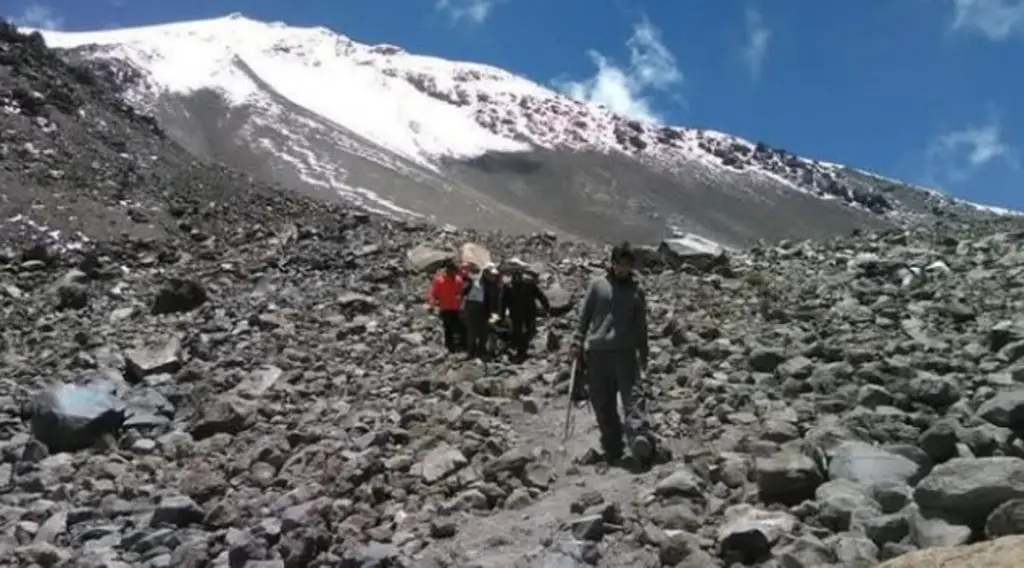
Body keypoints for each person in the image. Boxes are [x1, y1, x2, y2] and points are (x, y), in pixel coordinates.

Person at [569, 241, 654, 467]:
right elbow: (584, 315)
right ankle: (613, 445)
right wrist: (577, 340)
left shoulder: (637, 291)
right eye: (619, 264)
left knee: (633, 398)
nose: (622, 269)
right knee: (602, 402)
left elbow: (640, 325)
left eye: (627, 265)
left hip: (625, 353)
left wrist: (643, 353)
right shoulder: (597, 285)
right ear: (612, 263)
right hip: (597, 354)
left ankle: (639, 439)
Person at [502, 269, 550, 359]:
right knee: (518, 332)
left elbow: (540, 296)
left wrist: (546, 307)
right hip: (517, 314)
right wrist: (501, 315)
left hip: (528, 312)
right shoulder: (508, 288)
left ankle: (523, 348)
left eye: (518, 277)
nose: (517, 279)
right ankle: (521, 350)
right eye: (515, 277)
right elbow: (503, 302)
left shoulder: (528, 285)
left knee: (528, 330)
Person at [426, 260, 465, 352]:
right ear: (448, 270)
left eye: (455, 271)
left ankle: (458, 346)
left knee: (457, 326)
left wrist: (462, 304)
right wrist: (432, 304)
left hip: (456, 308)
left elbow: (462, 294)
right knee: (447, 328)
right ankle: (449, 347)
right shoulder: (440, 281)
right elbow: (434, 294)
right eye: (451, 270)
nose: (453, 272)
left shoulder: (458, 280)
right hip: (445, 308)